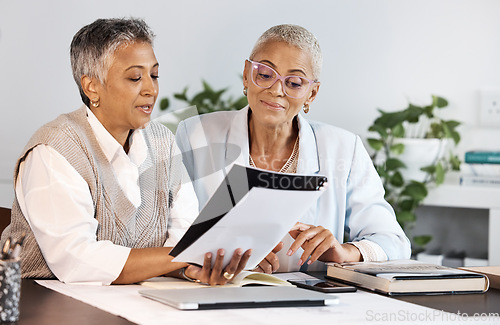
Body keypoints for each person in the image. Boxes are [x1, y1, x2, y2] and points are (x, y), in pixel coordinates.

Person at [0, 18, 251, 285]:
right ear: (91, 87)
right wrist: (186, 257)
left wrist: (193, 267)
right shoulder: (54, 150)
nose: (151, 89)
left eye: (154, 75)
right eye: (135, 77)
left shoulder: (163, 141)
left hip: (136, 303)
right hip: (43, 304)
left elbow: (183, 236)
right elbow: (77, 261)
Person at [175, 24, 411, 274]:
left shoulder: (344, 148)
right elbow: (170, 233)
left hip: (311, 301)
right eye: (265, 75)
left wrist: (344, 252)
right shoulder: (195, 135)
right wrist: (218, 255)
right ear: (246, 74)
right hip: (217, 294)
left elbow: (393, 241)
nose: (276, 90)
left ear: (312, 93)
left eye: (294, 83)